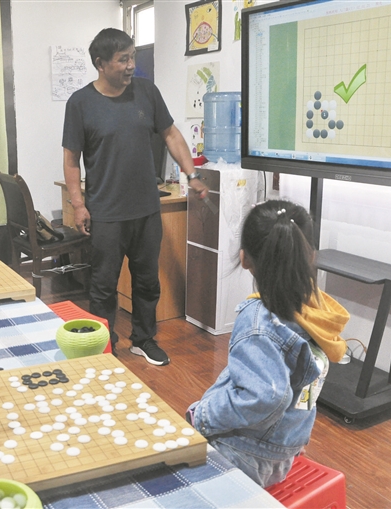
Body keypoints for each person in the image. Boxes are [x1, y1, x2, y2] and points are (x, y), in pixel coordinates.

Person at [62, 28, 209, 365]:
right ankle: (104, 345)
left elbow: (171, 134)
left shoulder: (147, 92)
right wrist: (79, 204)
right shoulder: (80, 103)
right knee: (103, 286)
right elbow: (71, 159)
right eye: (122, 59)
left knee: (147, 282)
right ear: (100, 63)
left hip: (146, 209)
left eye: (133, 57)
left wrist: (192, 175)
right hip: (106, 212)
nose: (131, 65)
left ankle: (143, 339)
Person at [186, 200, 349, 487]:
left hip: (242, 454)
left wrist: (202, 416)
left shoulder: (258, 320)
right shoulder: (316, 309)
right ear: (310, 255)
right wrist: (293, 438)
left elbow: (267, 396)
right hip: (282, 454)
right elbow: (302, 389)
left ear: (244, 258)